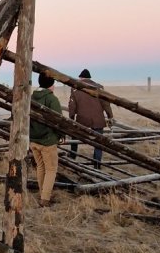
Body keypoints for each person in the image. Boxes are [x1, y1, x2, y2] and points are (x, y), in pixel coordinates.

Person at [29, 72, 63, 207]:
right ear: (51, 84)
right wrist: (59, 135)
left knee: (41, 167)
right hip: (47, 140)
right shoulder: (51, 99)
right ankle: (45, 199)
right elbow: (58, 120)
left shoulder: (32, 97)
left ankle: (42, 193)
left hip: (34, 139)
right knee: (51, 169)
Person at [68, 69, 113, 169]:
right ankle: (97, 165)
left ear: (81, 78)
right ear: (90, 78)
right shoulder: (99, 88)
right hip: (98, 120)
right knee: (98, 143)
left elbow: (72, 106)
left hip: (82, 120)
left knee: (74, 137)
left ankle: (72, 157)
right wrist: (110, 116)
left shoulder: (76, 88)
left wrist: (71, 118)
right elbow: (106, 104)